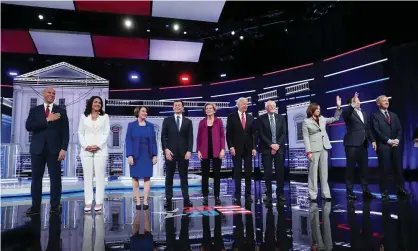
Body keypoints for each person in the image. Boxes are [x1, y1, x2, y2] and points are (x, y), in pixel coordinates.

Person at [25, 87, 69, 215]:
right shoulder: (35, 110)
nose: (51, 95)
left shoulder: (61, 111)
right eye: (49, 92)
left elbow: (65, 132)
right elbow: (29, 126)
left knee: (55, 179)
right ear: (43, 94)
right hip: (37, 149)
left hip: (55, 150)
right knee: (36, 178)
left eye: (54, 93)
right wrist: (47, 120)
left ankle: (55, 205)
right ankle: (35, 206)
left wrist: (63, 148)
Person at [302, 97, 342, 202]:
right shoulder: (306, 122)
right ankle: (313, 195)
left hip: (324, 147)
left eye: (319, 109)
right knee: (313, 173)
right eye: (317, 109)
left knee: (324, 172)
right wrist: (308, 151)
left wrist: (338, 107)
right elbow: (306, 137)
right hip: (313, 149)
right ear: (312, 110)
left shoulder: (323, 119)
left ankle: (326, 193)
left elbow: (335, 119)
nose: (319, 110)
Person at [371, 95, 410, 199]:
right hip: (384, 145)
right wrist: (388, 141)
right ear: (378, 103)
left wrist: (396, 140)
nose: (386, 102)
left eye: (387, 100)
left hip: (395, 145)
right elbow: (376, 131)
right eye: (384, 101)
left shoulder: (394, 115)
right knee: (384, 168)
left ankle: (401, 189)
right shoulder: (375, 116)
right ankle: (384, 191)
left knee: (398, 167)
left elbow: (399, 129)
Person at [78, 96, 110, 212]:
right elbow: (80, 133)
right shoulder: (84, 117)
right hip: (86, 150)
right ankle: (88, 201)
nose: (98, 104)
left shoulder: (105, 117)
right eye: (95, 102)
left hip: (100, 150)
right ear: (91, 103)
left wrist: (98, 145)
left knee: (100, 177)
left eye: (100, 103)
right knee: (87, 177)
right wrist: (86, 146)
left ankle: (98, 201)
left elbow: (106, 133)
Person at [342, 92, 376, 200]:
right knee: (350, 169)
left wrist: (373, 140)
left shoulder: (364, 114)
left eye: (358, 100)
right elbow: (345, 115)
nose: (358, 101)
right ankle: (349, 192)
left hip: (363, 144)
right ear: (350, 103)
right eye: (355, 100)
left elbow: (367, 129)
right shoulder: (348, 112)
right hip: (351, 144)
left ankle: (365, 191)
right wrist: (352, 104)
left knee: (364, 169)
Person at [161, 100, 193, 209]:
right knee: (169, 177)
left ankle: (186, 198)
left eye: (179, 105)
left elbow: (190, 137)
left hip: (184, 154)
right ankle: (168, 199)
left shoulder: (188, 121)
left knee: (184, 177)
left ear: (183, 108)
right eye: (176, 105)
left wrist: (189, 150)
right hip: (170, 153)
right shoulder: (167, 120)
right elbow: (163, 137)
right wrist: (165, 149)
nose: (178, 107)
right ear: (173, 108)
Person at [125, 106, 158, 210]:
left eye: (146, 112)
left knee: (147, 177)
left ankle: (145, 200)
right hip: (135, 155)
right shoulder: (131, 125)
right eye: (143, 111)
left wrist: (154, 155)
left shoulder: (150, 126)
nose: (145, 113)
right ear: (137, 112)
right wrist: (129, 155)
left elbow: (153, 142)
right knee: (135, 177)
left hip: (147, 155)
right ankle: (138, 201)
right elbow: (128, 140)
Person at [226, 97, 256, 205]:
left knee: (248, 173)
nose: (246, 106)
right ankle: (237, 196)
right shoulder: (231, 117)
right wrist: (231, 146)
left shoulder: (250, 117)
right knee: (237, 173)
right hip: (236, 149)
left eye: (247, 104)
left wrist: (253, 147)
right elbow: (228, 134)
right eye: (244, 104)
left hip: (248, 149)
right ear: (238, 105)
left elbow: (253, 134)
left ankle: (248, 196)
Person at [258, 100, 287, 204]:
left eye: (273, 105)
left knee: (280, 172)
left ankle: (280, 194)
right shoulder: (261, 118)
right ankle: (269, 194)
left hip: (279, 149)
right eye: (269, 106)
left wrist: (277, 145)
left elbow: (284, 132)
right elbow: (261, 134)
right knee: (268, 173)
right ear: (266, 108)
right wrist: (271, 145)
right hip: (266, 149)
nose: (272, 107)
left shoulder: (281, 117)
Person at [196, 103, 225, 206]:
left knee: (217, 175)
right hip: (205, 151)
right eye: (206, 108)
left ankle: (217, 196)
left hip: (217, 151)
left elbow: (222, 136)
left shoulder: (219, 121)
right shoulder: (201, 122)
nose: (208, 110)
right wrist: (198, 150)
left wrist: (222, 149)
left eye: (210, 108)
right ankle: (205, 196)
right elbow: (198, 137)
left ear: (214, 110)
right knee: (205, 175)